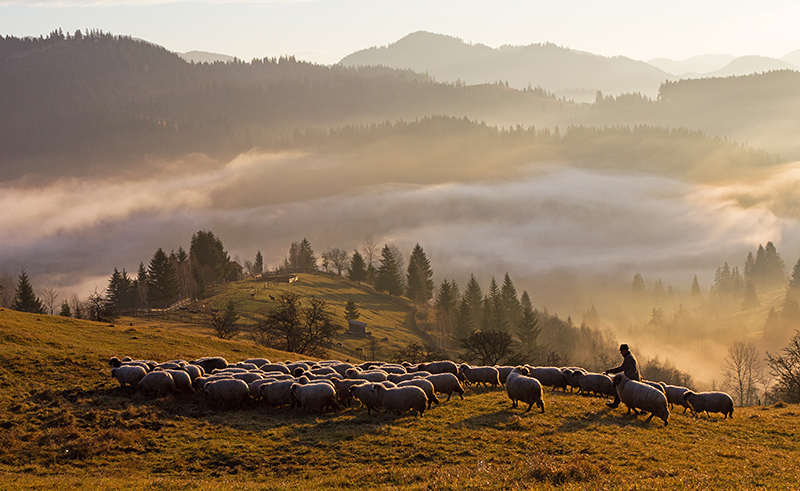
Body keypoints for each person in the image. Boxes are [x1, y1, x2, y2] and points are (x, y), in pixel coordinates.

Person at [604, 343, 640, 408]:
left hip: (632, 380)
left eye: (621, 351)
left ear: (625, 350)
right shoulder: (627, 357)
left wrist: (624, 377)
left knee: (618, 387)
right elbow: (622, 367)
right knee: (618, 387)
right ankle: (616, 403)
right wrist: (611, 371)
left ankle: (615, 404)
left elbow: (633, 370)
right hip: (630, 379)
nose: (620, 353)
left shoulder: (630, 358)